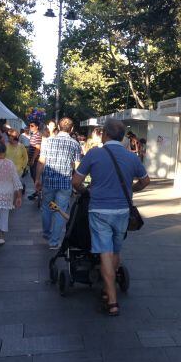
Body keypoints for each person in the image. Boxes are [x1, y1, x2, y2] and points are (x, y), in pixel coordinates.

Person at [72, 118, 150, 316]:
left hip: (99, 211)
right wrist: (131, 189)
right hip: (123, 211)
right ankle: (108, 291)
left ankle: (112, 301)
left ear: (105, 134)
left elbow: (76, 181)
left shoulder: (94, 153)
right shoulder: (132, 157)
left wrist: (85, 191)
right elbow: (145, 181)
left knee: (105, 253)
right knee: (116, 250)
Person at [35, 117, 82, 249]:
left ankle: (46, 233)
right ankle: (54, 242)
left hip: (48, 181)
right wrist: (79, 184)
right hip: (65, 183)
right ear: (71, 129)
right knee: (60, 211)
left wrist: (38, 179)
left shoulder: (48, 142)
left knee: (46, 208)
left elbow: (41, 161)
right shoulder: (75, 144)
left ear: (58, 127)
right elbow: (77, 166)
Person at [26, 121, 42, 199]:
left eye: (32, 126)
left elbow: (37, 149)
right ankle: (37, 191)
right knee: (33, 175)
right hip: (32, 158)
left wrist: (32, 159)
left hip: (36, 159)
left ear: (37, 127)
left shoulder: (38, 135)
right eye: (30, 125)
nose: (30, 127)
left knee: (35, 176)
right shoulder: (33, 135)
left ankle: (39, 192)